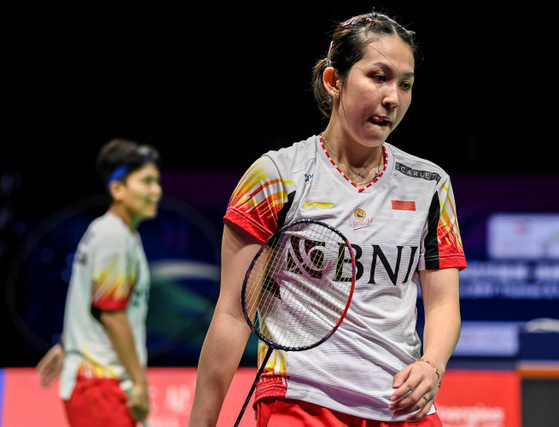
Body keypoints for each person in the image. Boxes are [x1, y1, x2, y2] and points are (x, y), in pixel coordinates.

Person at [188, 11, 465, 427]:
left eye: (405, 84)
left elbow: (443, 302)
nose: (393, 97)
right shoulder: (276, 177)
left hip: (400, 405)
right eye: (378, 76)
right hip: (300, 401)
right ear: (334, 81)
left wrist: (433, 365)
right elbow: (232, 313)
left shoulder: (429, 184)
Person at [36, 138, 162, 427]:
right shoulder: (113, 237)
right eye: (146, 182)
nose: (157, 191)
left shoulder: (115, 233)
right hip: (100, 384)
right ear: (117, 189)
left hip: (101, 381)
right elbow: (111, 313)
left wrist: (68, 344)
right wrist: (140, 383)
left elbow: (87, 301)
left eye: (156, 181)